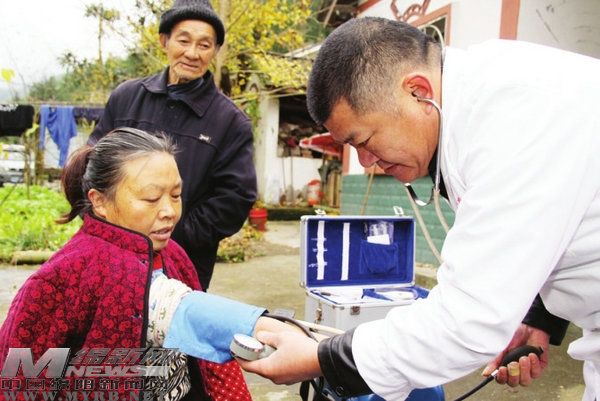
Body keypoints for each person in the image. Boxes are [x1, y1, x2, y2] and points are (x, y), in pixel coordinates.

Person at [238, 17, 600, 401]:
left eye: (364, 140)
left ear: (417, 91)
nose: (365, 162)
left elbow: (466, 320)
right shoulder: (479, 103)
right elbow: (557, 228)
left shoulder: (515, 114)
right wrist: (538, 315)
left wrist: (321, 358)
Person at [0, 128, 287, 401]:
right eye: (151, 198)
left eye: (176, 195)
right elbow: (19, 383)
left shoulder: (174, 254)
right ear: (99, 201)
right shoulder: (63, 277)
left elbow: (204, 352)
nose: (169, 211)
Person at [88, 0, 256, 290]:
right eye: (183, 41)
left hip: (181, 266)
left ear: (216, 51)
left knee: (170, 319)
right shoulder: (126, 98)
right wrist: (112, 227)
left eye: (204, 45)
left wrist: (172, 234)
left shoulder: (230, 122)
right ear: (164, 41)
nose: (192, 53)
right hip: (111, 256)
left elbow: (235, 199)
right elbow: (91, 165)